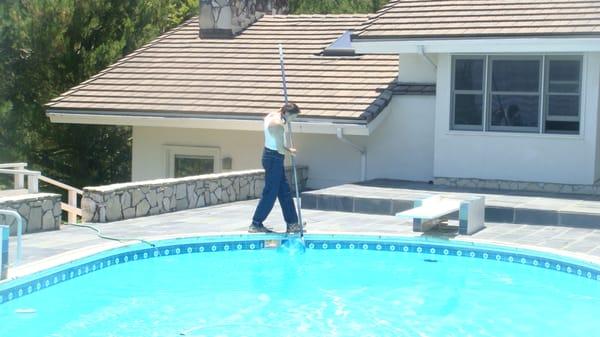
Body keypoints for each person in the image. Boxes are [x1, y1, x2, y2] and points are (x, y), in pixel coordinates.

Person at [249, 103, 302, 233]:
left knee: (284, 192)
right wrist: (291, 151)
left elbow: (277, 114)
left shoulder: (272, 115)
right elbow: (280, 149)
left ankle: (292, 223)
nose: (292, 120)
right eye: (293, 117)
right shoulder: (278, 126)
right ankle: (256, 224)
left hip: (271, 156)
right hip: (274, 158)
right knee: (270, 193)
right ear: (287, 114)